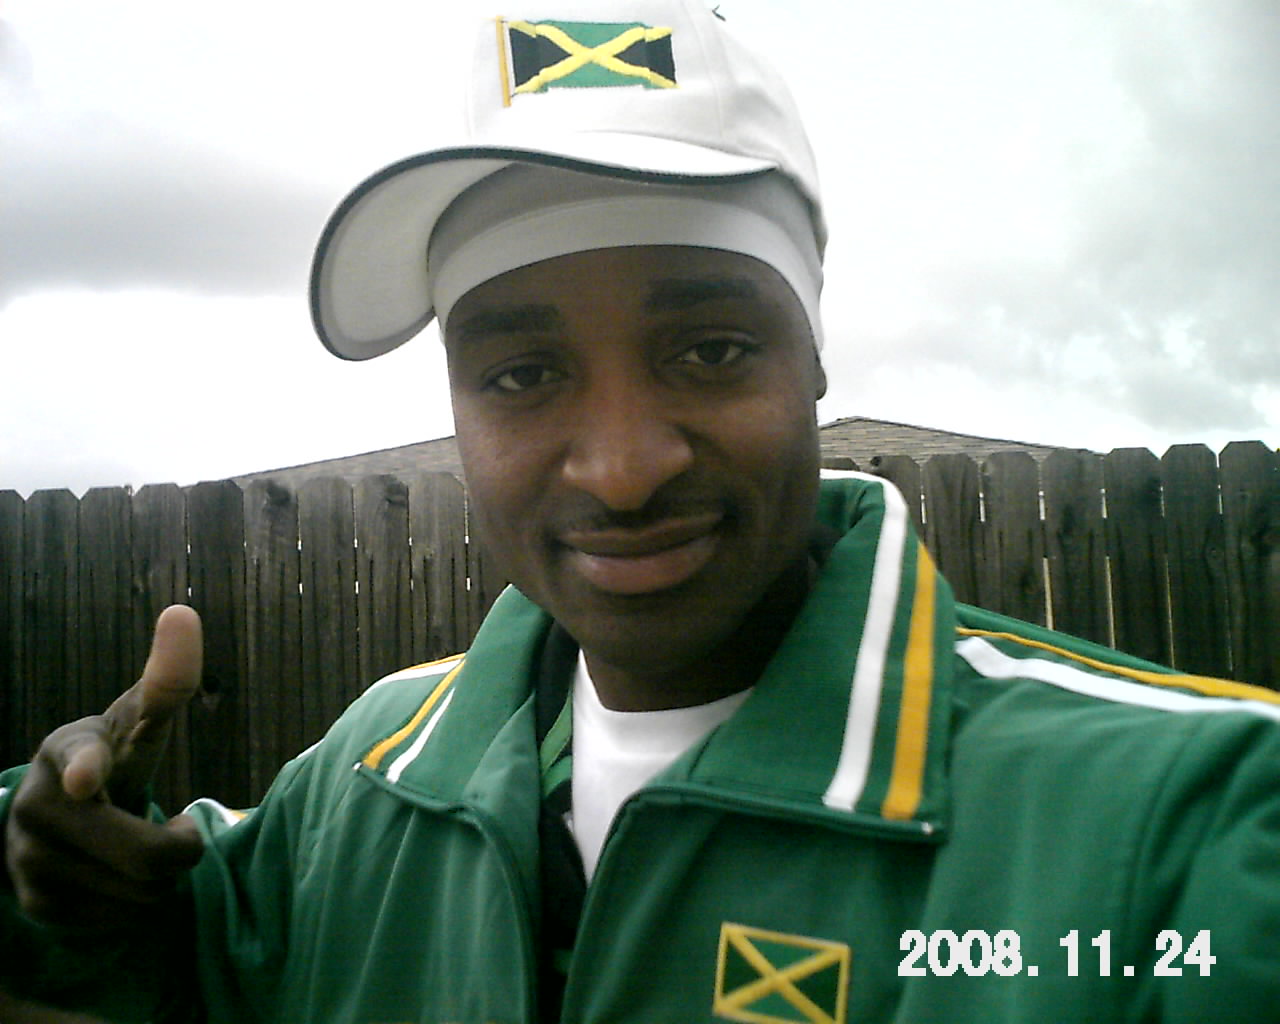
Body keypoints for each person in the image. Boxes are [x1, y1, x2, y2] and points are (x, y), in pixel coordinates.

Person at [4, 2, 1280, 1021]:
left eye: (710, 350)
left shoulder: (1195, 825)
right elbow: (179, 945)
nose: (620, 469)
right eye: (521, 374)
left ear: (813, 357)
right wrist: (66, 872)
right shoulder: (372, 778)